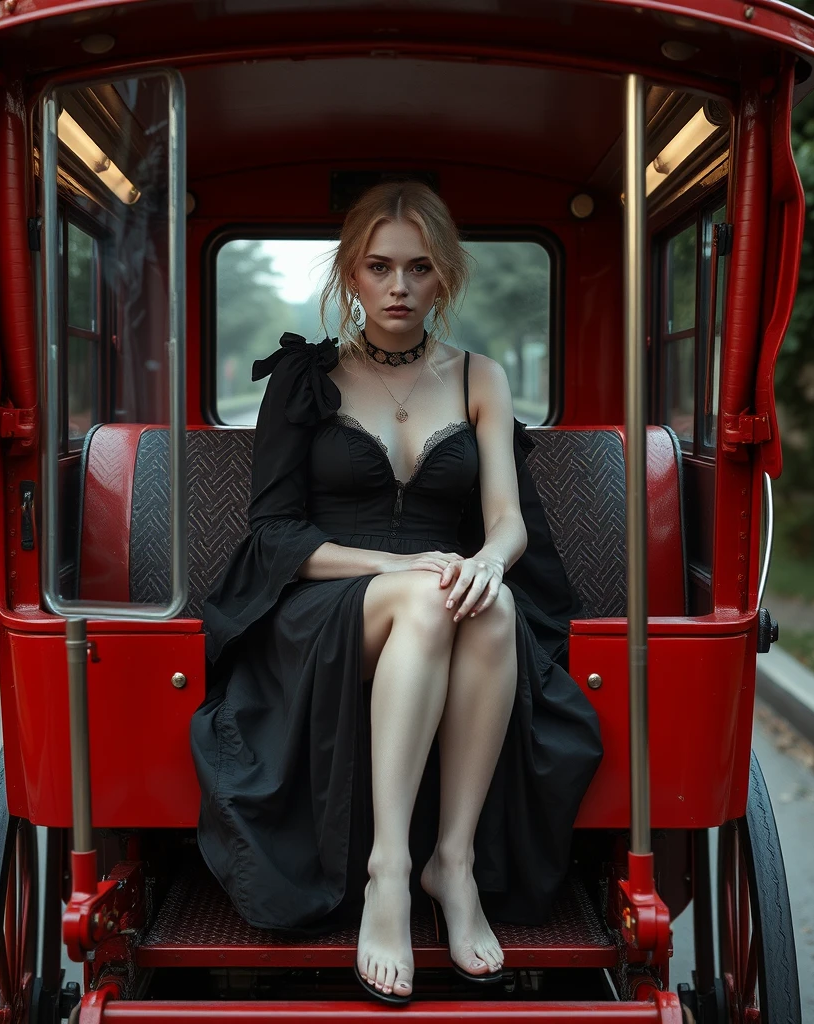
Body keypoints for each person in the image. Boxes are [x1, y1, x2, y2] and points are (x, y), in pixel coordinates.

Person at [191, 181, 602, 1005]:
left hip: (447, 587)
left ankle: (453, 863)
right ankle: (388, 870)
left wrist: (485, 564)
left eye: (419, 268)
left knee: (493, 605)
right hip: (327, 601)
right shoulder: (305, 381)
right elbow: (277, 537)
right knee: (431, 596)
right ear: (350, 273)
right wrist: (399, 567)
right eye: (378, 267)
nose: (399, 287)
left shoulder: (479, 376)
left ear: (445, 276)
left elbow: (508, 522)